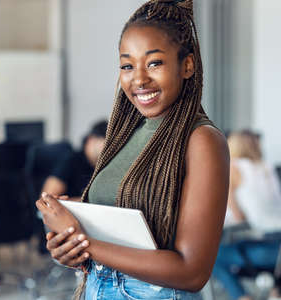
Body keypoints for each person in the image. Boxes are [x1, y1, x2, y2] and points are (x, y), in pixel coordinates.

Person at [35, 0, 230, 299]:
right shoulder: (126, 133)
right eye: (128, 65)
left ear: (187, 65)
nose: (138, 79)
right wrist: (68, 247)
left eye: (154, 63)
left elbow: (192, 272)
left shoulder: (201, 140)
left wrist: (82, 239)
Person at [212, 130, 281, 300]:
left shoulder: (233, 168)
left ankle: (243, 297)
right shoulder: (266, 166)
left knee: (214, 256)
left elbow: (239, 217)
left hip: (276, 249)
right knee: (240, 245)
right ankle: (276, 293)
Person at [42, 120, 108, 200]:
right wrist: (89, 201)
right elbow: (47, 200)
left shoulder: (105, 167)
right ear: (92, 140)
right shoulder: (70, 161)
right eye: (108, 142)